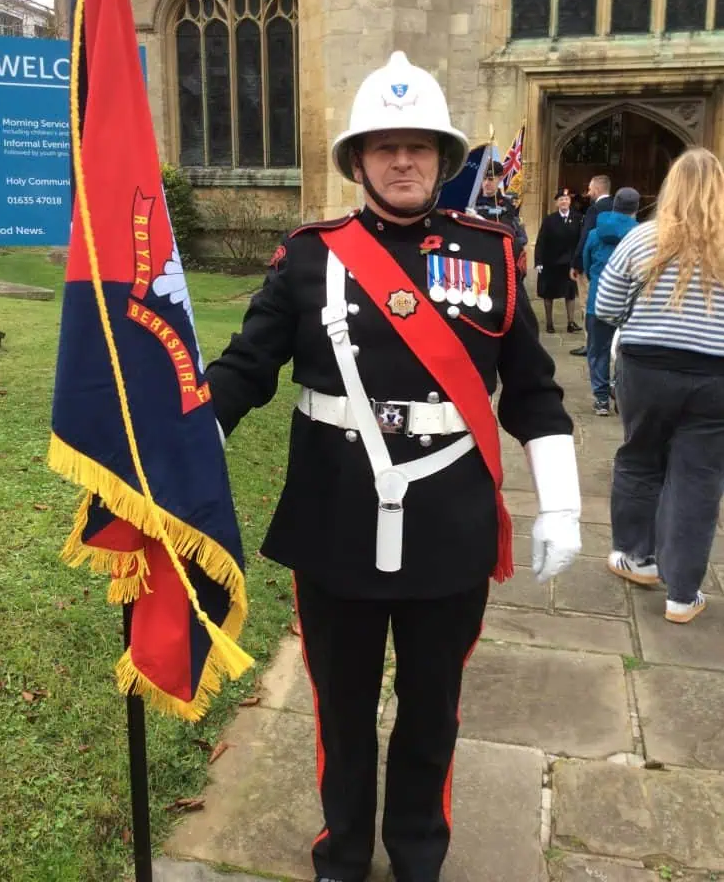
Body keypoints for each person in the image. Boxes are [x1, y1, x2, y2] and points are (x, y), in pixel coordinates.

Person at [205, 51, 582, 882]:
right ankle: (343, 852)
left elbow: (532, 391)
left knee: (430, 711)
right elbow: (243, 371)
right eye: (384, 146)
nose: (402, 160)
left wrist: (560, 502)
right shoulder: (308, 257)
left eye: (418, 146)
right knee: (340, 710)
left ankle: (417, 854)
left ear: (442, 159)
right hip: (334, 517)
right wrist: (183, 450)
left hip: (448, 522)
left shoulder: (488, 255)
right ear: (357, 161)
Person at [596, 148, 724, 625]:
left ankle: (636, 557)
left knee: (640, 458)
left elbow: (606, 306)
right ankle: (683, 594)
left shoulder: (642, 238)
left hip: (647, 368)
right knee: (699, 478)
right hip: (716, 375)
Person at [582, 187, 640, 415]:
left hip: (598, 300)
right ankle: (619, 389)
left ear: (614, 204)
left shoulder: (595, 234)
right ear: (635, 209)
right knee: (626, 351)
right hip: (631, 304)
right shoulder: (642, 236)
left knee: (597, 350)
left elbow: (586, 265)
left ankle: (601, 398)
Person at [569, 175, 613, 356]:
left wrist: (576, 264)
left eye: (590, 189)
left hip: (592, 266)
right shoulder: (617, 207)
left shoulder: (594, 210)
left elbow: (586, 238)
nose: (588, 193)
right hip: (613, 267)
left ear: (596, 189)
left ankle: (590, 343)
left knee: (587, 304)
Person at [534, 190, 582, 334]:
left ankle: (571, 322)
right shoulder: (549, 220)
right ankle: (549, 323)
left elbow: (580, 241)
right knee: (548, 293)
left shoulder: (577, 218)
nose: (564, 202)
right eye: (561, 199)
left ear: (570, 202)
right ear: (556, 203)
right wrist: (538, 261)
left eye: (566, 199)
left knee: (570, 293)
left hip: (569, 264)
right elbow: (541, 241)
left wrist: (579, 261)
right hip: (551, 262)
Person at [475, 160, 529, 279]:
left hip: (497, 258)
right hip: (475, 256)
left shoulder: (506, 205)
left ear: (500, 179)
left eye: (490, 179)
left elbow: (507, 229)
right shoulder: (472, 202)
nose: (486, 183)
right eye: (483, 179)